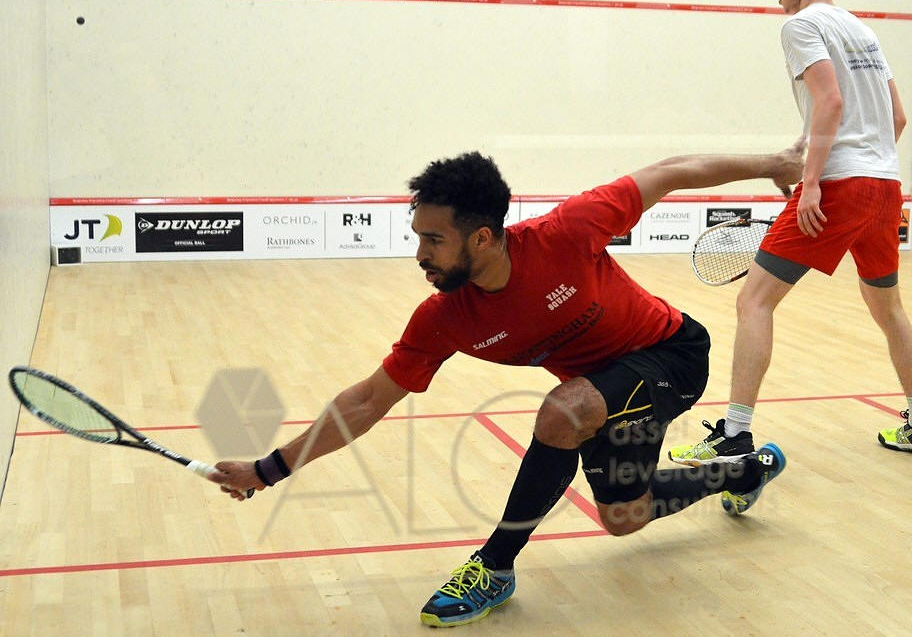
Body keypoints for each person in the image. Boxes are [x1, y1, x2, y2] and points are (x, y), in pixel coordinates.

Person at [209, 145, 803, 627]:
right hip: (603, 394)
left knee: (563, 410)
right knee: (626, 516)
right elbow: (367, 399)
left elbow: (672, 171)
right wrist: (269, 469)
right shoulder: (444, 318)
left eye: (434, 240)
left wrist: (775, 164)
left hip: (672, 357)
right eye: (418, 237)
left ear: (483, 238)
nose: (419, 255)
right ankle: (743, 471)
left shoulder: (567, 231)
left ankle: (494, 567)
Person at [668, 0, 912, 470]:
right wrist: (810, 152)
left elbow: (831, 101)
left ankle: (734, 435)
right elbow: (895, 118)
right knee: (888, 308)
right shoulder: (861, 30)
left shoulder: (801, 26)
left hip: (839, 187)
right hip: (885, 187)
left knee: (754, 301)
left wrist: (813, 180)